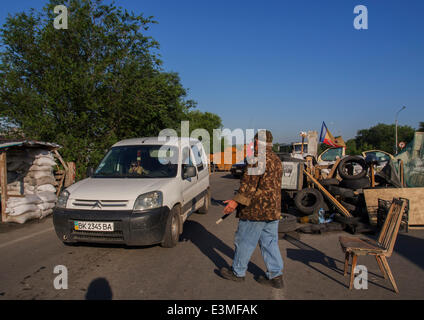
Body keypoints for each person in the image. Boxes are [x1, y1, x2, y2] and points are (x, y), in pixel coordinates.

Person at [220, 130, 284, 289]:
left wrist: (234, 203)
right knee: (270, 243)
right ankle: (276, 276)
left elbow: (249, 186)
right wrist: (236, 199)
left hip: (256, 210)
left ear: (257, 142)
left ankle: (237, 273)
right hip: (273, 209)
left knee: (244, 241)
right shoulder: (276, 159)